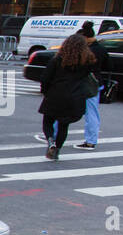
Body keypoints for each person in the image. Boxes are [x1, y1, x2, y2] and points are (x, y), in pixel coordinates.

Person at [38, 32, 97, 161]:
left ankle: (50, 141)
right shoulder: (87, 62)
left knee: (48, 121)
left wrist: (45, 91)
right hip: (75, 97)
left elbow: (45, 78)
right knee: (64, 126)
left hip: (55, 94)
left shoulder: (57, 60)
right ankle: (57, 150)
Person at [75, 20, 109, 150]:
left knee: (63, 108)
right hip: (95, 83)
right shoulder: (101, 49)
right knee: (92, 113)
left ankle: (53, 135)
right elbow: (109, 66)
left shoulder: (82, 50)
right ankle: (91, 141)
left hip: (80, 82)